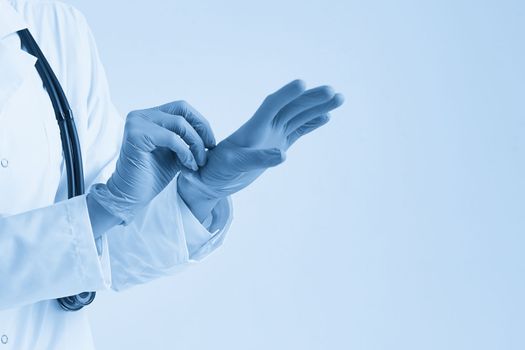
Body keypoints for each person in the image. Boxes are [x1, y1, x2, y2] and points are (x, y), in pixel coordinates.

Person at [0, 0, 344, 348]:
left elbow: (97, 256)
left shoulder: (53, 26)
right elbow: (85, 227)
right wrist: (104, 209)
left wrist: (197, 193)